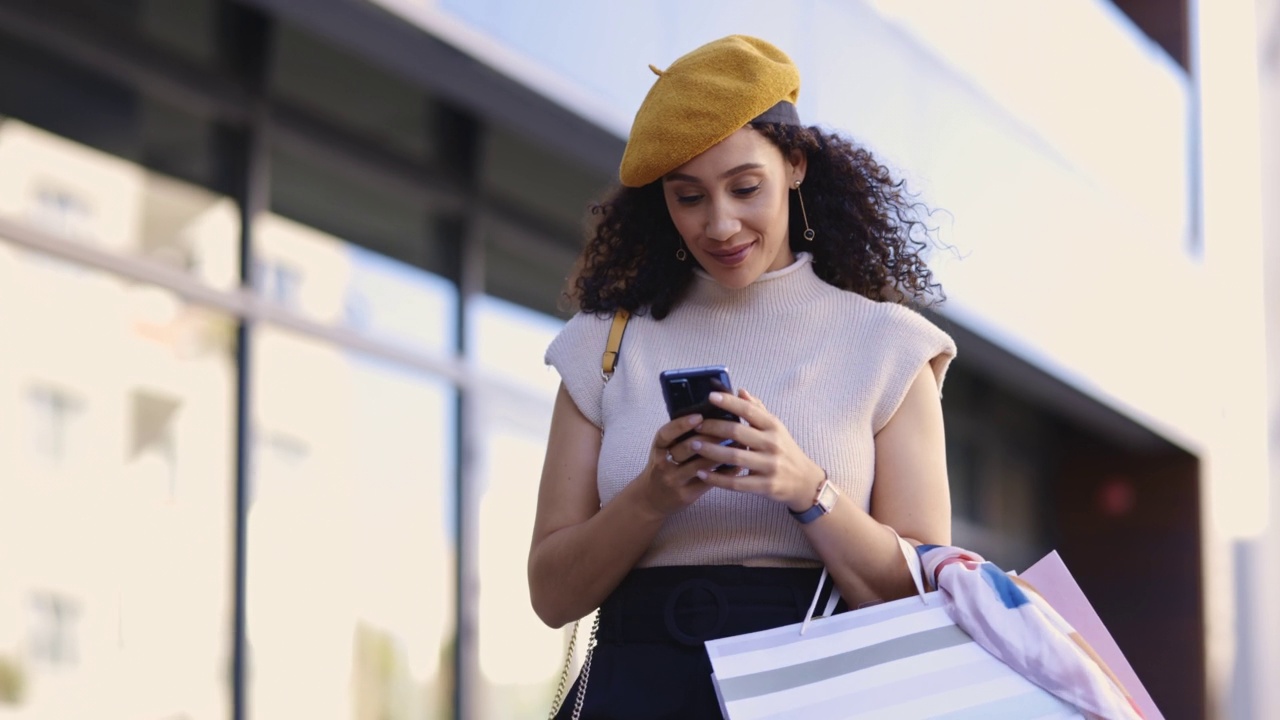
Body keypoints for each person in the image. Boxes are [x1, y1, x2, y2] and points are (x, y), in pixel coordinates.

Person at [529, 35, 956, 719]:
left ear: (794, 164)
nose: (719, 223)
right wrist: (653, 494)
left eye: (744, 187)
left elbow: (927, 594)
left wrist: (806, 487)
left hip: (818, 685)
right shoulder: (604, 343)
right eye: (688, 196)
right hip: (635, 689)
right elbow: (551, 595)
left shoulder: (888, 343)